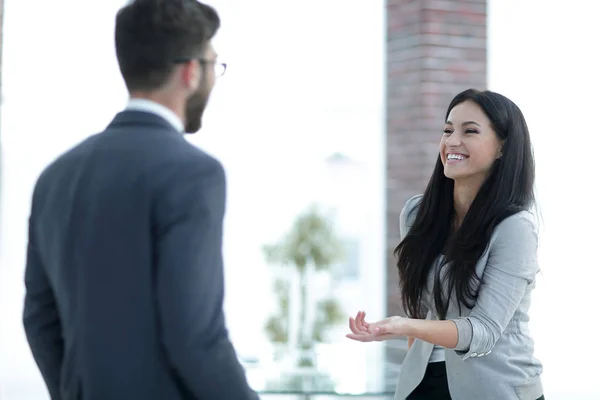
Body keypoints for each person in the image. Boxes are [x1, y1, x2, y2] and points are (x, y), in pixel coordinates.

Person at [22, 1, 258, 399]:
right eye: (214, 65)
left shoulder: (55, 176)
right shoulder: (193, 173)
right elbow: (196, 339)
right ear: (190, 71)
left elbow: (39, 320)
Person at [346, 89, 544, 399]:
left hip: (496, 387)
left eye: (470, 131)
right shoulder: (417, 215)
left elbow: (483, 332)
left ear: (502, 147)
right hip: (424, 381)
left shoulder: (514, 229)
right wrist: (408, 330)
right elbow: (424, 308)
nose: (452, 141)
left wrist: (405, 326)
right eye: (448, 130)